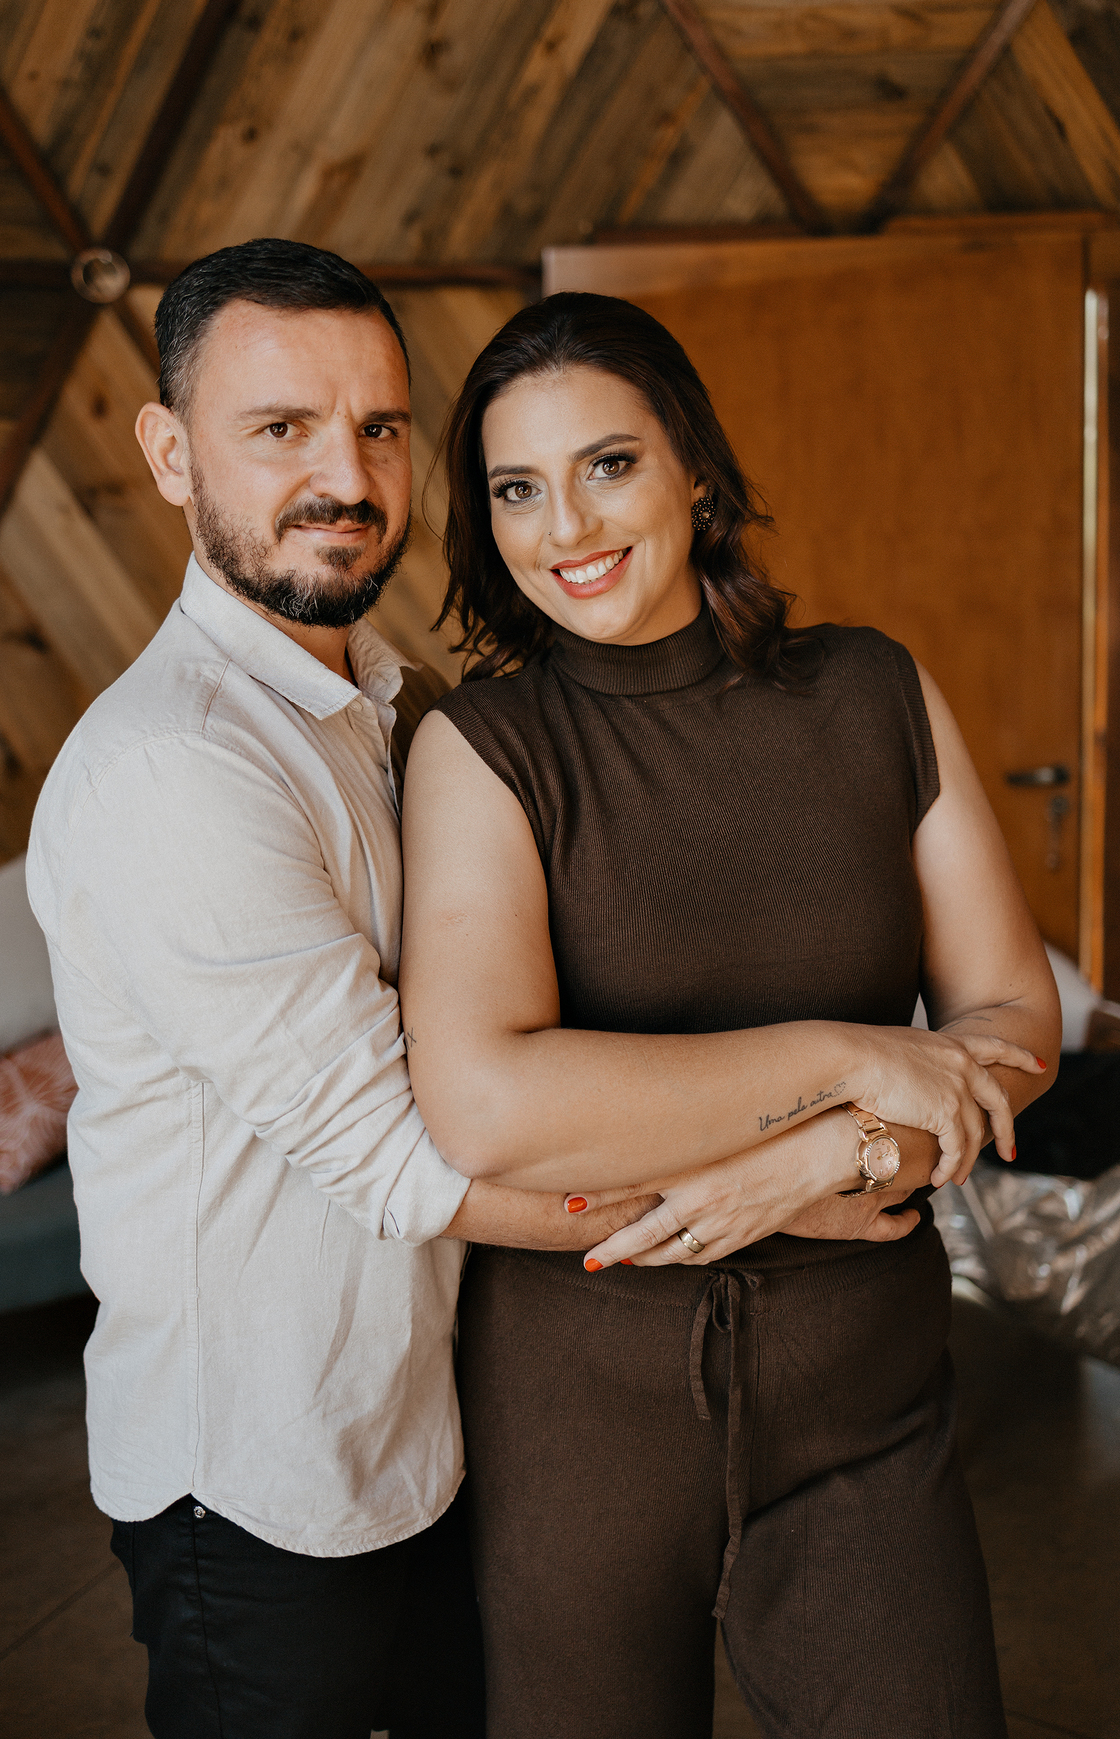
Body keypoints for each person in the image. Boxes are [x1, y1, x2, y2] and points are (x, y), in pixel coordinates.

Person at [399, 291, 1061, 1739]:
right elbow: (488, 1106)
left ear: (696, 470)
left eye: (608, 464)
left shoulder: (876, 691)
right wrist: (847, 1062)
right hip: (579, 1424)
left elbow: (1014, 1013)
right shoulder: (484, 746)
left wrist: (839, 1156)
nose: (566, 525)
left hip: (869, 1401)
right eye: (516, 488)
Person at [26, 244, 653, 1739]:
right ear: (169, 454)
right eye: (280, 429)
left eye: (378, 427)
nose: (347, 478)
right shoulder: (177, 765)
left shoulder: (377, 704)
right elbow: (404, 1155)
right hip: (255, 1483)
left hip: (414, 1429)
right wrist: (764, 1185)